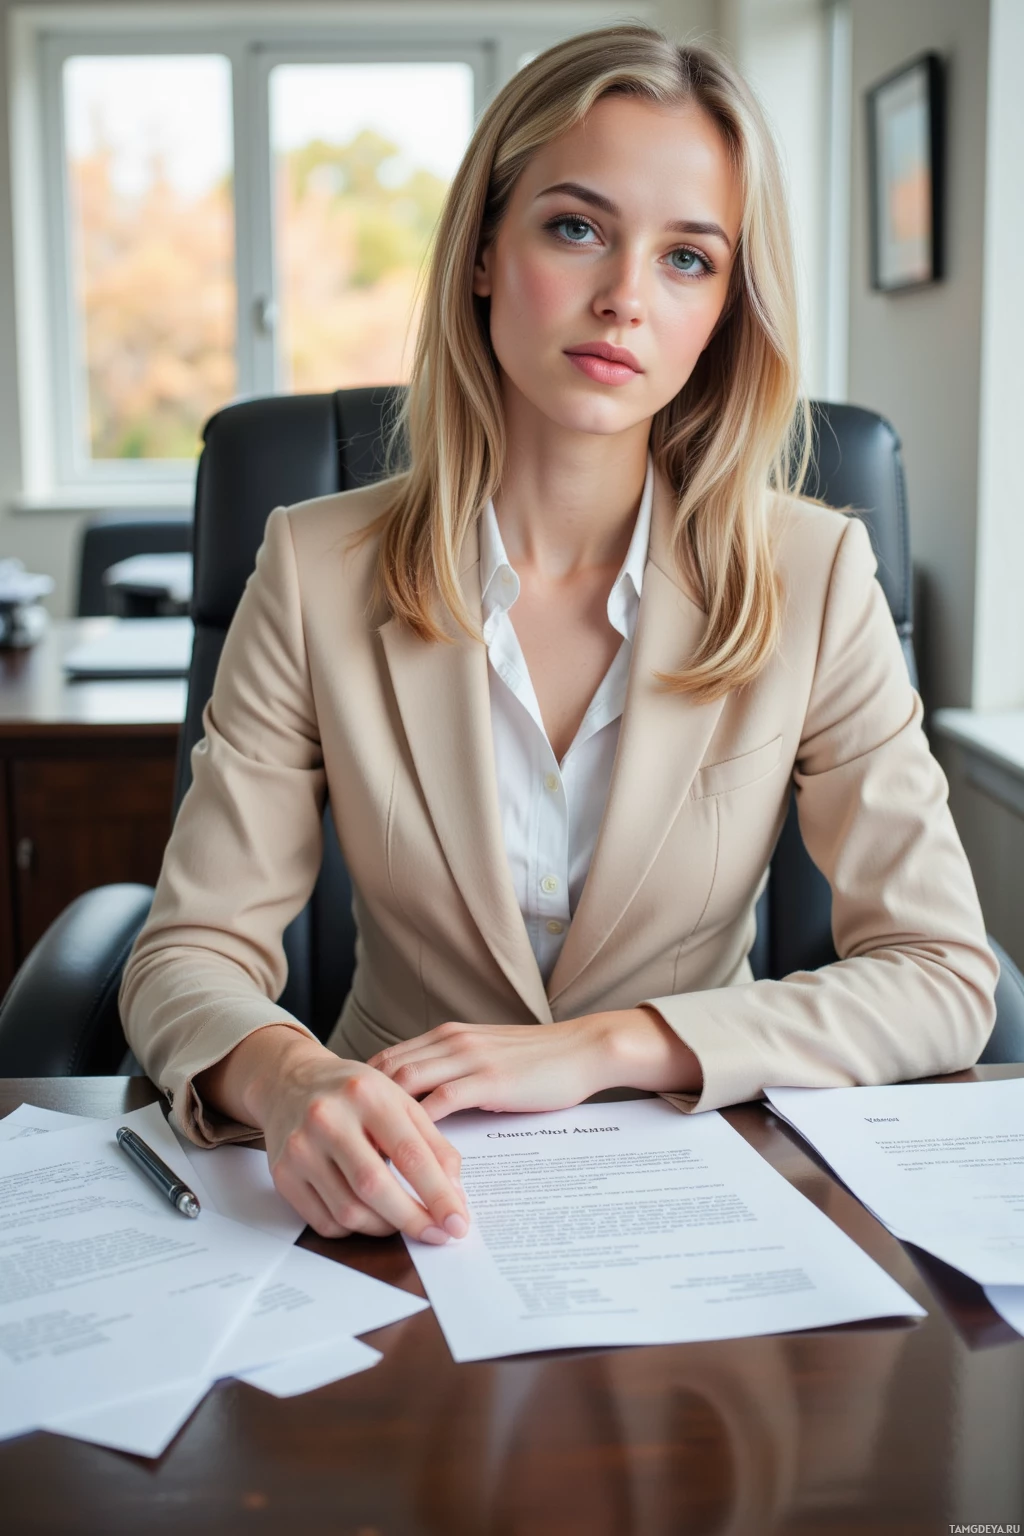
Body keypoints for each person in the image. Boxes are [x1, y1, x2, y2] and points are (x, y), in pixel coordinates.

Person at [121, 25, 998, 1250]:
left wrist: (609, 1047)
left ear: (723, 312)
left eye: (687, 258)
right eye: (576, 227)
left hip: (703, 1194)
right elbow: (186, 954)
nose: (624, 299)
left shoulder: (812, 573)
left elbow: (942, 976)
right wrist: (284, 1077)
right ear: (483, 251)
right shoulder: (316, 567)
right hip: (397, 1196)